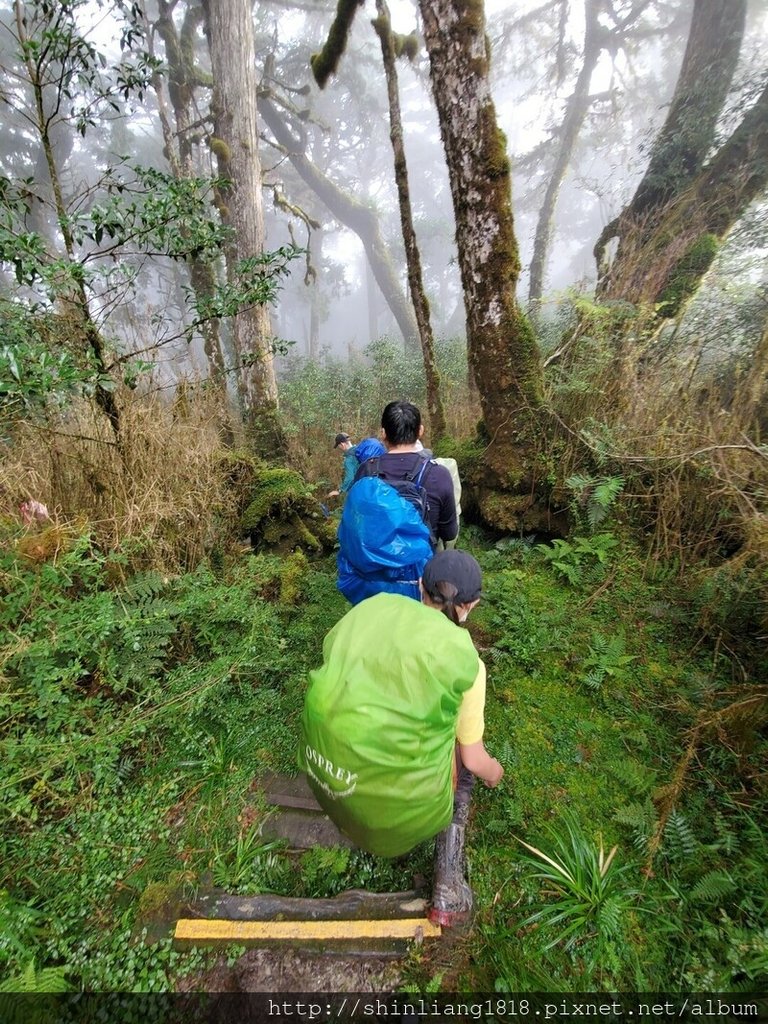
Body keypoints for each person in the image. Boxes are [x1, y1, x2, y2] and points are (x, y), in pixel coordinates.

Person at [299, 550, 503, 924]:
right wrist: (495, 773)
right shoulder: (466, 661)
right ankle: (448, 888)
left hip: (322, 770)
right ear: (469, 605)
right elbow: (474, 759)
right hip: (396, 818)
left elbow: (333, 653)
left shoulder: (374, 608)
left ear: (420, 587)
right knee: (465, 764)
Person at [327, 432, 357, 499]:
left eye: (339, 446)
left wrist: (340, 491)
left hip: (359, 490)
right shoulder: (359, 451)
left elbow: (350, 477)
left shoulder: (349, 459)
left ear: (342, 444)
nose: (340, 448)